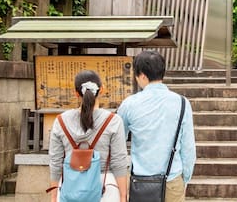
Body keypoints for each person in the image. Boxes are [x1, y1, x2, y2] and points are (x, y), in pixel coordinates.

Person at [117, 50, 196, 201]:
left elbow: (118, 141)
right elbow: (188, 148)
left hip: (140, 182)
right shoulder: (182, 103)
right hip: (172, 179)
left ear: (142, 76)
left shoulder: (129, 104)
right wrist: (184, 178)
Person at [48, 70, 129, 202]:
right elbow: (119, 161)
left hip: (70, 188)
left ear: (76, 93)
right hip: (105, 187)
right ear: (101, 90)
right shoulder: (113, 121)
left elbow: (55, 163)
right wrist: (123, 196)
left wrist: (53, 196)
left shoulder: (61, 121)